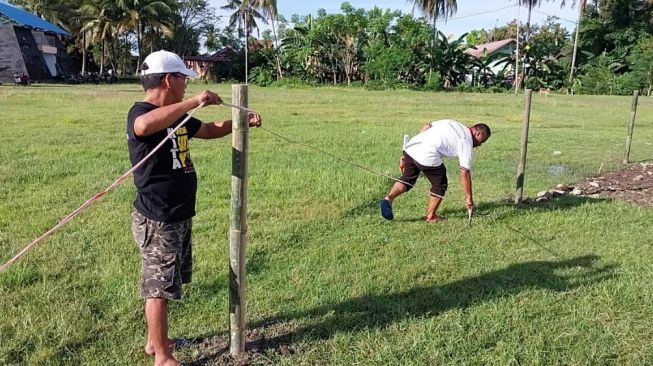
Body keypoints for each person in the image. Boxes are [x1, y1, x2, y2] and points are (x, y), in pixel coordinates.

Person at [127, 50, 262, 366]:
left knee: (169, 280)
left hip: (178, 214)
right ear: (168, 80)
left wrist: (241, 121)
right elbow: (143, 127)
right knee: (158, 288)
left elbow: (209, 129)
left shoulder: (179, 116)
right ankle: (162, 357)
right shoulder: (143, 111)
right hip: (158, 217)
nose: (186, 86)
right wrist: (192, 102)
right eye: (183, 80)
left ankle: (154, 342)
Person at [379, 119, 491, 223]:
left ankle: (388, 199)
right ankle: (431, 216)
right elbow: (464, 172)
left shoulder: (453, 123)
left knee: (408, 179)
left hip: (412, 146)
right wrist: (468, 198)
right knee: (440, 183)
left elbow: (427, 126)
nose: (480, 144)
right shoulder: (466, 141)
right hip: (427, 153)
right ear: (479, 133)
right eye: (483, 141)